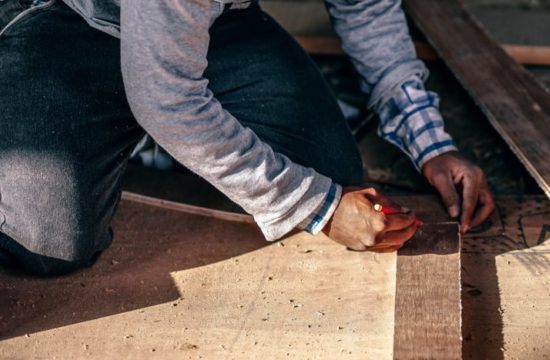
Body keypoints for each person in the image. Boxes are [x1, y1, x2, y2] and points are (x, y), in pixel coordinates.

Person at [0, 0, 495, 276]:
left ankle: (160, 143)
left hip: (212, 21)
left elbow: (366, 10)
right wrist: (317, 206)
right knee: (48, 246)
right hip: (73, 20)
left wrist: (431, 143)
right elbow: (168, 100)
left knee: (332, 173)